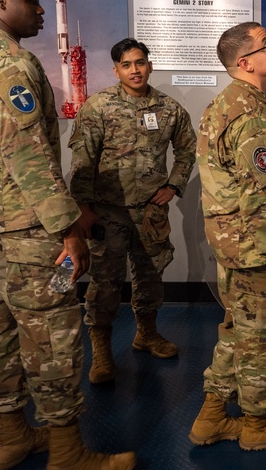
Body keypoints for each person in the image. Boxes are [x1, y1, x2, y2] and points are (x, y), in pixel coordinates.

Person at [0, 0, 135, 470]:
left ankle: (11, 437)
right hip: (27, 231)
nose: (42, 9)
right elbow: (27, 155)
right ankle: (67, 452)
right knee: (51, 337)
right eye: (31, 0)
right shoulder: (11, 66)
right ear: (0, 2)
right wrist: (69, 230)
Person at [189, 21, 266, 451]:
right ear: (245, 63)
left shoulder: (225, 105)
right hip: (258, 252)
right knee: (264, 341)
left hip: (235, 248)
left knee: (238, 333)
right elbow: (263, 198)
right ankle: (257, 428)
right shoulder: (252, 115)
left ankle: (212, 417)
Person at [68, 38, 196, 384]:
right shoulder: (99, 106)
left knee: (151, 276)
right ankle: (102, 353)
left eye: (140, 63)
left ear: (149, 65)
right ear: (116, 70)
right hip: (107, 212)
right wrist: (83, 210)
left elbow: (187, 149)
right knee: (105, 283)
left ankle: (147, 334)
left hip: (150, 212)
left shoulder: (169, 109)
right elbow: (82, 163)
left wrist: (174, 185)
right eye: (127, 65)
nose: (135, 70)